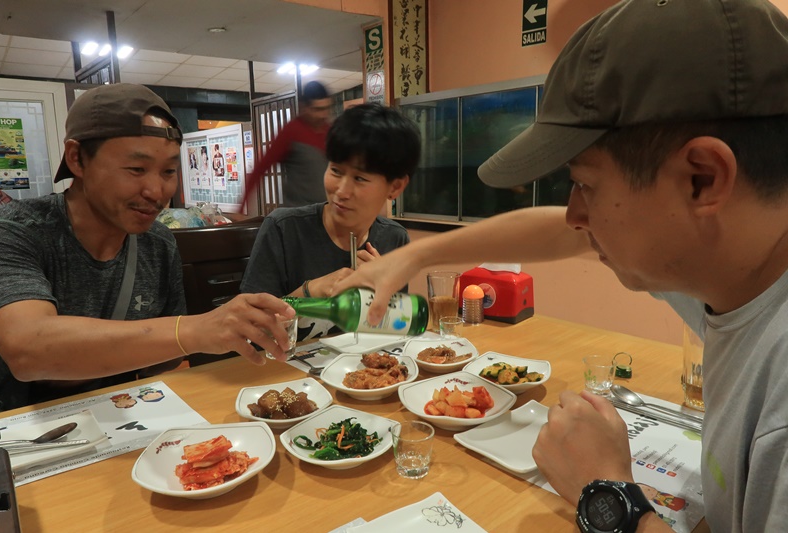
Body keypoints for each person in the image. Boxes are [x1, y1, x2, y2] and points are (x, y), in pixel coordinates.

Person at [334, 1, 788, 531]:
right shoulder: (736, 266)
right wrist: (416, 254)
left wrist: (607, 491)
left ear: (703, 179)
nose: (574, 213)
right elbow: (561, 230)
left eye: (585, 184)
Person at [0, 83, 294, 414]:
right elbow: (28, 349)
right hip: (17, 429)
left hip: (121, 414)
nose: (156, 191)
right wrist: (196, 330)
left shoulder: (157, 242)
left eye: (169, 171)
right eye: (136, 169)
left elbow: (163, 364)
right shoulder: (12, 230)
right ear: (77, 158)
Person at [241, 103, 420, 340]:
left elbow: (393, 331)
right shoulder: (283, 229)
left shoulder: (394, 239)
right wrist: (311, 290)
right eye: (335, 170)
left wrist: (381, 297)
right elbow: (250, 327)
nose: (341, 191)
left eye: (360, 178)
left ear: (395, 187)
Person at [241, 80, 332, 209]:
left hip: (328, 210)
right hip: (298, 213)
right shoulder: (291, 132)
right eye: (318, 109)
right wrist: (242, 206)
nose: (323, 115)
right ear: (304, 108)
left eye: (327, 108)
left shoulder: (330, 131)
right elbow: (261, 167)